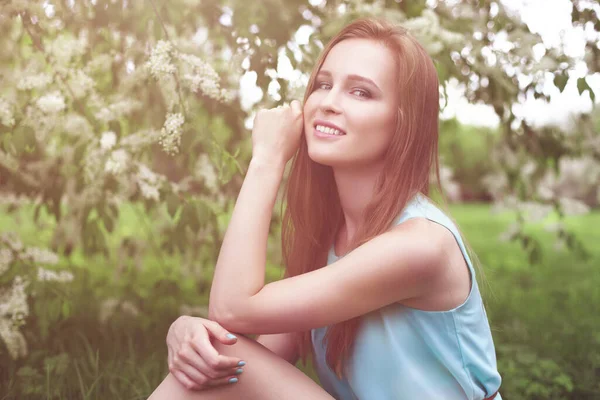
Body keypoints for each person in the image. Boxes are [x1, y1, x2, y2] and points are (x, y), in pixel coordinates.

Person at [148, 17, 502, 400]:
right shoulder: (327, 239)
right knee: (209, 366)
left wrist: (266, 160)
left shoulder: (421, 245)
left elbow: (233, 309)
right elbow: (247, 363)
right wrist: (185, 332)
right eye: (323, 84)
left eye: (361, 92)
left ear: (402, 123)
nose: (328, 103)